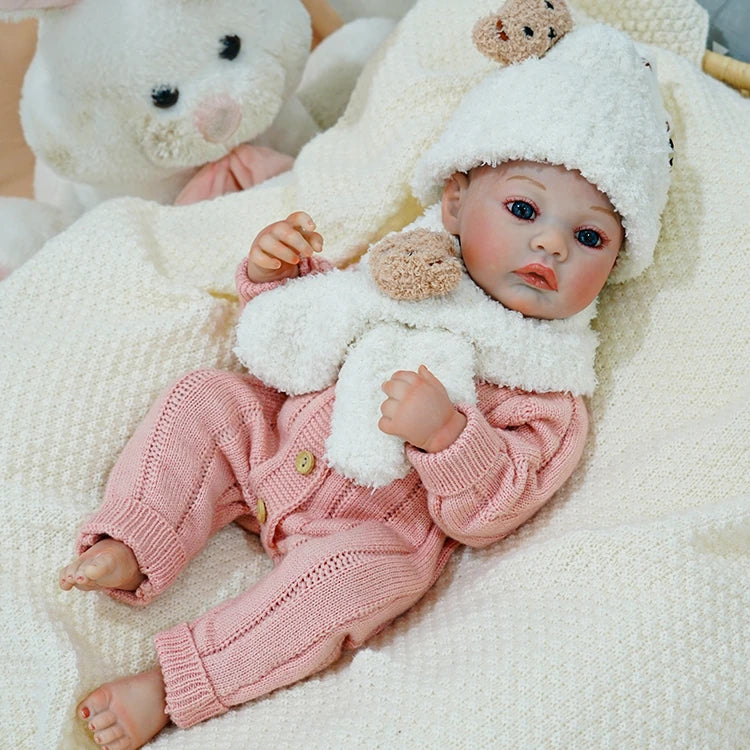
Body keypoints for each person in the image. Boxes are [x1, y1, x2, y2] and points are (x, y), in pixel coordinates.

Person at [58, 18, 672, 749]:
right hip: (275, 446)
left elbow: (496, 506)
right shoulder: (406, 266)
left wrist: (449, 437)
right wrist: (273, 276)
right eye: (522, 209)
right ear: (454, 203)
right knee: (204, 398)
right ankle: (141, 532)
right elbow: (306, 336)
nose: (550, 244)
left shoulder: (546, 386)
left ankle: (180, 681)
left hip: (373, 530)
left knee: (353, 583)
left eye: (590, 237)